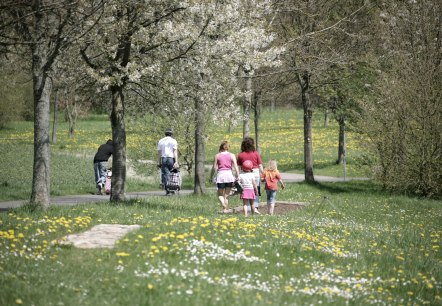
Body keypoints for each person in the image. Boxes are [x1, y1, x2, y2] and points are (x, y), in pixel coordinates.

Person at [210, 141, 240, 213]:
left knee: (220, 194)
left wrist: (211, 176)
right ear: (228, 147)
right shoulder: (232, 155)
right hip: (229, 176)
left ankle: (223, 204)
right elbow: (236, 166)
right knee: (226, 195)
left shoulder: (217, 155)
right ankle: (225, 210)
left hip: (221, 176)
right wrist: (238, 175)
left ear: (221, 147)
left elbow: (214, 168)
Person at [237, 137, 263, 214]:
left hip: (244, 174)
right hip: (255, 173)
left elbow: (238, 166)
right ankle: (255, 207)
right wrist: (263, 173)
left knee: (245, 190)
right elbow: (260, 165)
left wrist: (237, 175)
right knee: (255, 190)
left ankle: (247, 207)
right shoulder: (256, 153)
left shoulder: (241, 155)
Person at [157, 128, 179, 195]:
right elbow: (175, 152)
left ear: (165, 134)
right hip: (171, 159)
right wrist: (176, 162)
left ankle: (167, 188)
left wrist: (159, 162)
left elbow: (159, 153)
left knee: (166, 173)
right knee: (172, 173)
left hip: (164, 159)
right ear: (171, 134)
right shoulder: (174, 141)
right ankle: (171, 188)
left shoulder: (160, 141)